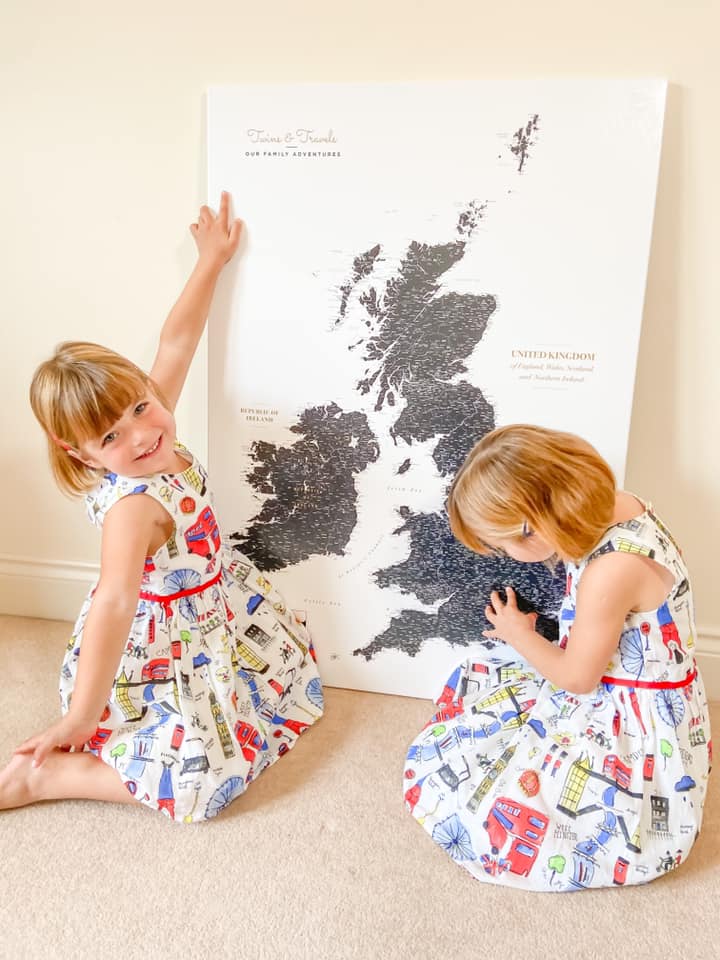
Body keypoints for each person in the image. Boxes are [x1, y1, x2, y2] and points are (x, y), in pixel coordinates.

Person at [0, 192, 323, 821]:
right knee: (205, 785)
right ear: (85, 454)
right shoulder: (134, 506)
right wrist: (80, 716)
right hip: (163, 640)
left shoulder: (150, 423)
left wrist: (210, 262)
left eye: (140, 408)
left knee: (286, 685)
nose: (141, 435)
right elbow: (116, 602)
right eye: (111, 437)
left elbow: (177, 342)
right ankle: (50, 777)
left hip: (213, 606)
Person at [403, 423, 711, 890]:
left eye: (502, 544)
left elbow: (577, 678)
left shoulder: (611, 571)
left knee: (476, 798)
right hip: (634, 684)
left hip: (631, 719)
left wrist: (518, 634)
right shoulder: (620, 506)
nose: (501, 555)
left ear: (535, 528)